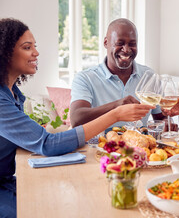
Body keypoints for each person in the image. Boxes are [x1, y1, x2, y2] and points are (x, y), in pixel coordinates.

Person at [0, 18, 154, 217]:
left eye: (34, 46)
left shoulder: (13, 94)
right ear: (5, 53)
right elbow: (48, 144)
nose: (36, 53)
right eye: (27, 47)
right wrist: (115, 114)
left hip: (9, 181)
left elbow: (35, 139)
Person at [70, 18, 167, 130]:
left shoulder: (149, 76)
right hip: (100, 146)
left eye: (132, 44)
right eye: (119, 43)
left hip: (139, 145)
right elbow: (76, 119)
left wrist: (166, 125)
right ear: (106, 42)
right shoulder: (85, 78)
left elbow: (160, 117)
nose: (126, 50)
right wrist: (116, 106)